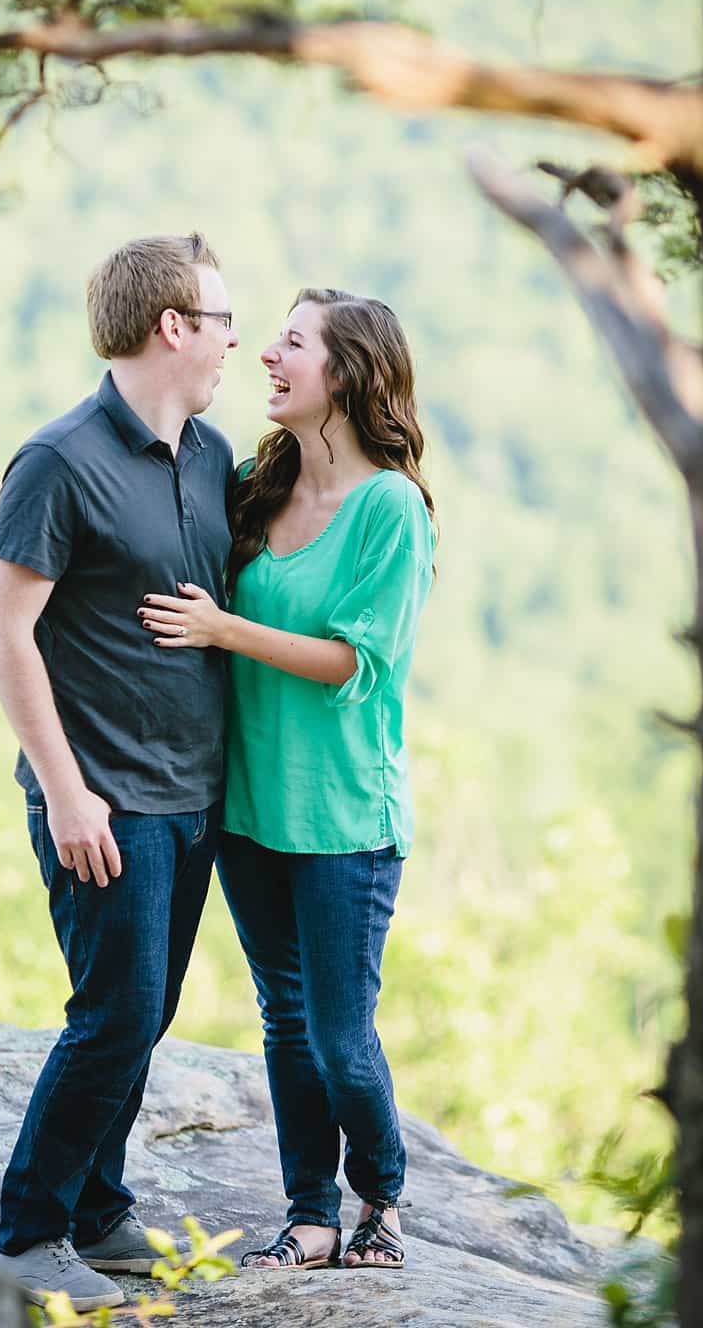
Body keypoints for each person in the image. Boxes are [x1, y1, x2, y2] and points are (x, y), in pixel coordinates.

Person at [139, 287, 436, 1272]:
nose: (264, 355)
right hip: (248, 812)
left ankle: (381, 1196)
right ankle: (309, 1214)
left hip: (344, 820)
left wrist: (223, 629)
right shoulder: (257, 483)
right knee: (285, 1023)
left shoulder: (387, 507)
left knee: (340, 1039)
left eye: (291, 344)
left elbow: (354, 662)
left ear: (344, 373)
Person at [0, 234, 238, 1311]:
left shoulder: (214, 455)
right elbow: (3, 633)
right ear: (170, 325)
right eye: (222, 320)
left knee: (150, 1007)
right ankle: (30, 1225)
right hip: (103, 800)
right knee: (115, 1013)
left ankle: (98, 1203)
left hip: (195, 796)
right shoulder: (58, 459)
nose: (234, 340)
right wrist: (67, 787)